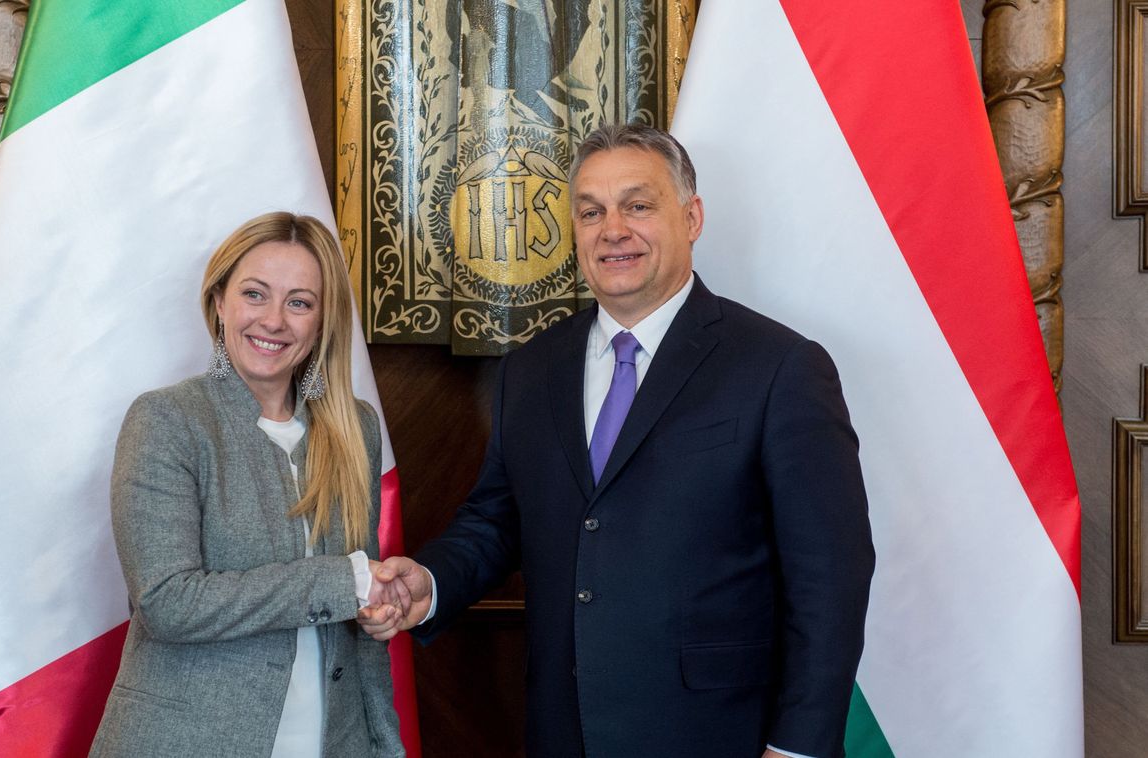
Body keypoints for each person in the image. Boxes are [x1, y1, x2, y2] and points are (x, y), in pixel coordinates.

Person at [364, 124, 875, 758]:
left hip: (720, 736)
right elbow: (498, 519)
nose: (612, 230)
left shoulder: (780, 368)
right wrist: (431, 580)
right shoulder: (530, 370)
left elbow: (830, 578)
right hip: (563, 730)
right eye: (591, 211)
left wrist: (798, 747)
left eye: (637, 205)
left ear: (691, 217)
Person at [90, 212, 404, 758]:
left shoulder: (356, 428)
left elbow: (356, 612)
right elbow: (167, 602)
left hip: (334, 742)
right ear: (219, 302)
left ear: (323, 320)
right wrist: (343, 582)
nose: (274, 320)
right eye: (254, 294)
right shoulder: (167, 421)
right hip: (186, 743)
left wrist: (383, 739)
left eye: (299, 302)